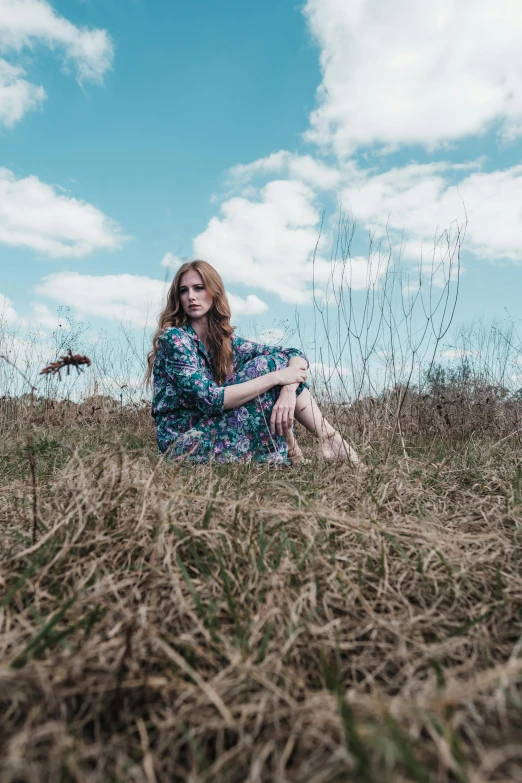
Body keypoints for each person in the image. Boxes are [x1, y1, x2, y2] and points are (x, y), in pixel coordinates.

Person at [147, 260, 362, 466]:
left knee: (276, 367)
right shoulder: (174, 338)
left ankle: (329, 438)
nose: (191, 297)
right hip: (183, 443)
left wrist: (288, 388)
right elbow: (209, 399)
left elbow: (293, 354)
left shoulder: (223, 342)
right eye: (184, 291)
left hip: (209, 426)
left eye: (199, 288)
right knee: (268, 369)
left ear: (214, 292)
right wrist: (277, 377)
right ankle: (302, 447)